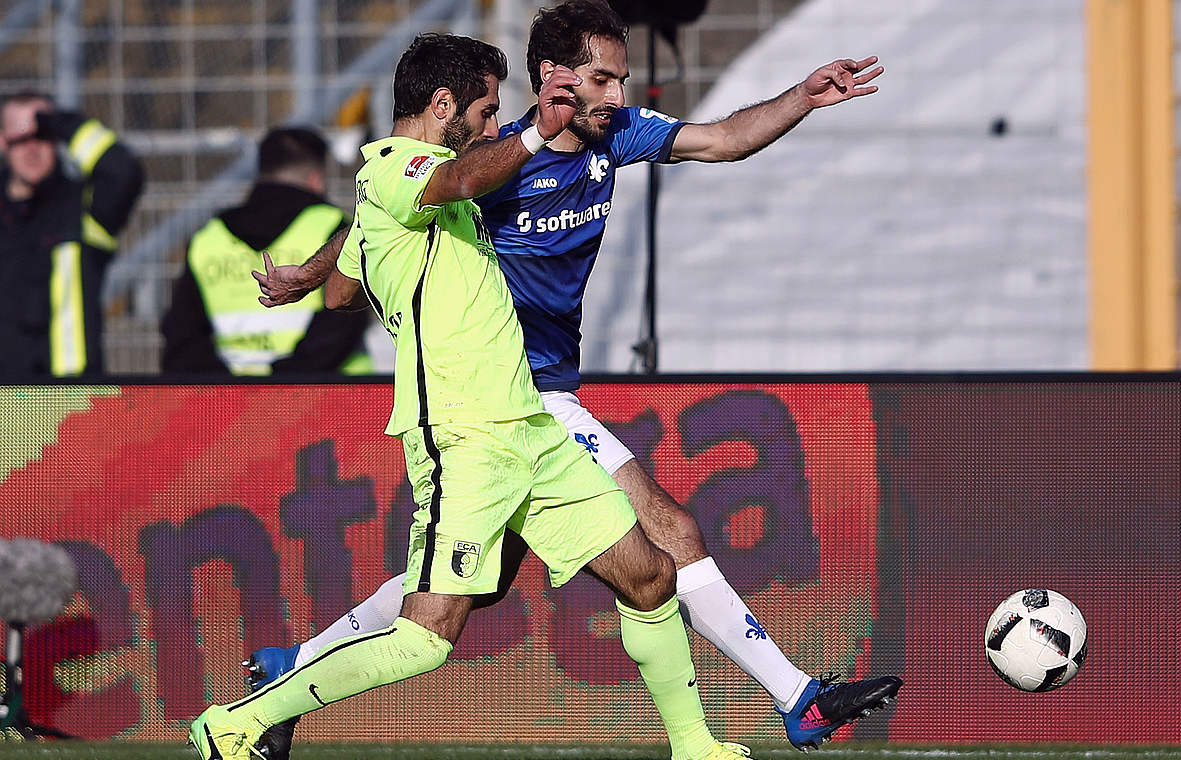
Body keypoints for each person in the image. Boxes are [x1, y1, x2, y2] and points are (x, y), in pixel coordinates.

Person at [251, 0, 897, 752]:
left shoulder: (612, 133)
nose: (619, 96)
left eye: (622, 79)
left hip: (544, 397)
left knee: (467, 587)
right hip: (510, 397)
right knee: (671, 536)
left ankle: (292, 670)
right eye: (603, 78)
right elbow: (398, 201)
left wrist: (801, 97)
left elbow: (721, 140)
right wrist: (322, 273)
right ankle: (796, 698)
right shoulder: (494, 159)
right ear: (554, 78)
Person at [189, 33, 751, 760]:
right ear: (442, 103)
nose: (494, 127)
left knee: (648, 576)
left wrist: (330, 266)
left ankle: (696, 748)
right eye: (487, 113)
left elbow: (339, 292)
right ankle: (238, 720)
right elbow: (447, 185)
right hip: (464, 434)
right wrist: (538, 137)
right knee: (425, 639)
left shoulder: (409, 192)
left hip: (529, 429)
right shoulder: (397, 166)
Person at [160, 127, 372, 375]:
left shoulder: (208, 236)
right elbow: (343, 322)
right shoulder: (335, 230)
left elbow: (182, 339)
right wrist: (282, 381)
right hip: (329, 402)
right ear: (316, 180)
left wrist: (236, 389)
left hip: (230, 404)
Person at [0, 91, 145, 377]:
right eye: (20, 140)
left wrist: (61, 124)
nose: (31, 149)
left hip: (70, 397)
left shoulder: (83, 209)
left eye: (41, 136)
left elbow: (123, 171)